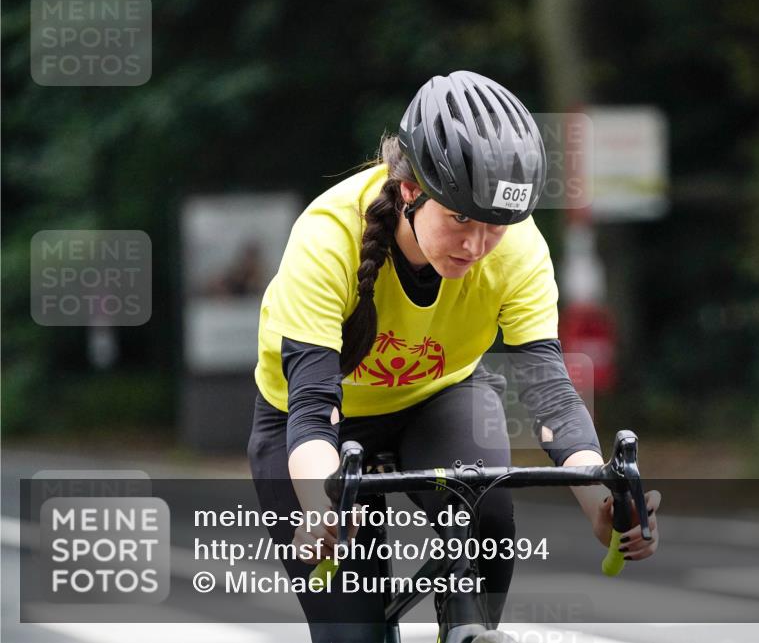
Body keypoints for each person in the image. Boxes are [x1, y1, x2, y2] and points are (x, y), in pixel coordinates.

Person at [247, 70, 660, 643]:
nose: (476, 246)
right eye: (461, 219)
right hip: (311, 429)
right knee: (352, 630)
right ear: (411, 190)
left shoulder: (518, 251)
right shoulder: (327, 236)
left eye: (496, 227)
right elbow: (313, 411)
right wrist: (323, 508)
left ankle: (467, 631)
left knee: (486, 511)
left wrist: (600, 500)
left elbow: (551, 396)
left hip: (436, 401)